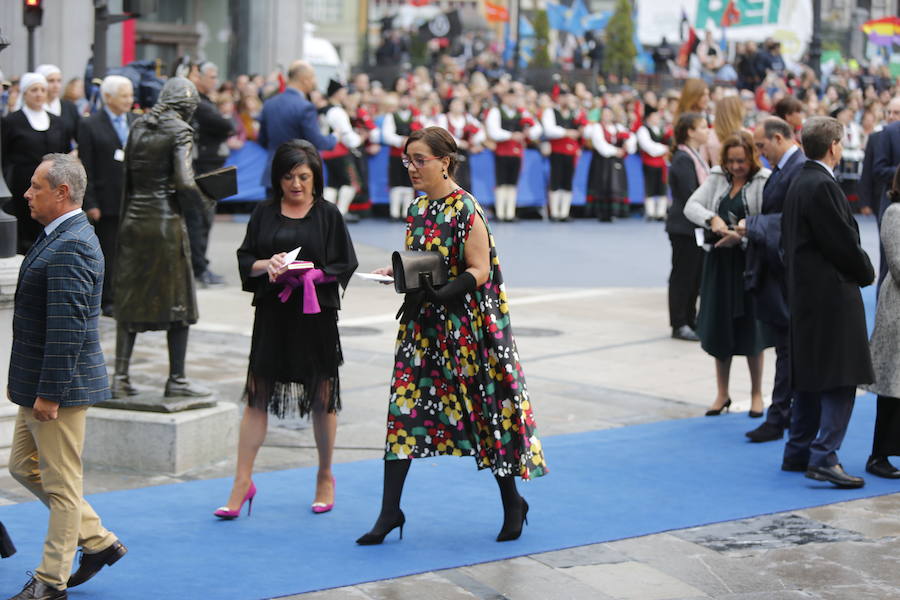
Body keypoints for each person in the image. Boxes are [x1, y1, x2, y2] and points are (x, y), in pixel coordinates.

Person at [357, 127, 547, 546]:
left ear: (445, 161)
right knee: (403, 416)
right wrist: (400, 272)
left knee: (484, 416)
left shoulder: (466, 209)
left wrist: (446, 292)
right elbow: (424, 259)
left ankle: (513, 501)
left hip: (467, 330)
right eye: (407, 160)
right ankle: (390, 511)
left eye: (419, 160)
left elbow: (479, 269)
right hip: (422, 329)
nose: (411, 168)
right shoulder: (419, 207)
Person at [215, 140, 358, 519]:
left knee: (322, 395)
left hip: (316, 317)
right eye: (288, 177)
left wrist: (315, 274)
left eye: (303, 177)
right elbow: (246, 258)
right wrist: (269, 265)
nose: (295, 184)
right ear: (277, 179)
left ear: (315, 178)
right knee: (256, 395)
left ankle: (325, 475)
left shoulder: (328, 215)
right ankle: (241, 481)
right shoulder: (264, 212)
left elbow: (345, 263)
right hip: (273, 316)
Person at [7, 154, 126, 600]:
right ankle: (98, 542)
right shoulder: (58, 234)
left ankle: (49, 582)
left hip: (58, 388)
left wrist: (50, 395)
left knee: (61, 486)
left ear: (61, 193)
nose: (27, 194)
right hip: (38, 383)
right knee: (23, 466)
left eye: (36, 186)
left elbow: (68, 330)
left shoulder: (73, 243)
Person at [781, 116, 875, 488]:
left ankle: (799, 449)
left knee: (809, 374)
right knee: (841, 376)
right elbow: (843, 245)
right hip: (831, 296)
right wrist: (866, 272)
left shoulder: (800, 181)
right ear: (834, 146)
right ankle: (824, 456)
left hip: (806, 294)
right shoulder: (821, 185)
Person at [112, 77, 211, 399]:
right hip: (165, 223)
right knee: (179, 300)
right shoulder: (180, 130)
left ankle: (120, 376)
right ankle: (177, 379)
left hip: (134, 222)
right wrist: (203, 202)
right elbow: (184, 181)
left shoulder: (138, 126)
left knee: (129, 299)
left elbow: (126, 179)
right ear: (187, 107)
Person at [685, 132, 773, 417]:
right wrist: (712, 218)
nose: (736, 166)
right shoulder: (716, 178)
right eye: (732, 161)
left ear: (752, 158)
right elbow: (691, 206)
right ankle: (722, 394)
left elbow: (770, 221)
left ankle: (757, 394)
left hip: (750, 264)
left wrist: (744, 236)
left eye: (742, 161)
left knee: (752, 331)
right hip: (719, 267)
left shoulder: (764, 181)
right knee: (720, 328)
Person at [742, 118, 807, 443]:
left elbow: (791, 221)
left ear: (778, 138)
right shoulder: (787, 169)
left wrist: (750, 226)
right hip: (779, 269)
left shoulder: (798, 169)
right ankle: (784, 413)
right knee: (786, 347)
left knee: (788, 348)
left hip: (790, 274)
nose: (759, 152)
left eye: (761, 146)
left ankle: (781, 414)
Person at [77, 75, 136, 318]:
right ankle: (107, 298)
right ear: (108, 97)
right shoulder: (91, 124)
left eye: (131, 95)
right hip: (105, 199)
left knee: (129, 251)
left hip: (133, 199)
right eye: (124, 96)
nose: (129, 100)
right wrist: (90, 202)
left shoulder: (136, 120)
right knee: (108, 252)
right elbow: (87, 166)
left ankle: (126, 295)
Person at [1, 73, 68, 254]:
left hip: (52, 185)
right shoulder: (12, 121)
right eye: (34, 90)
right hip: (21, 185)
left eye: (42, 90)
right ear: (25, 93)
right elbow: (4, 155)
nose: (39, 94)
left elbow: (64, 152)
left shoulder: (57, 121)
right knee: (26, 229)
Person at [864, 166, 900, 478]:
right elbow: (898, 264)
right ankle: (878, 455)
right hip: (897, 314)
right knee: (891, 389)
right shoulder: (895, 213)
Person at [187, 61, 234, 287]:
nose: (215, 81)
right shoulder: (199, 103)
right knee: (200, 220)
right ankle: (198, 269)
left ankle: (200, 266)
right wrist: (226, 120)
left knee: (205, 220)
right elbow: (224, 125)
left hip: (210, 166)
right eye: (212, 76)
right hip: (202, 168)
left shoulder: (206, 102)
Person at [258, 60, 336, 196]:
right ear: (305, 80)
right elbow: (317, 142)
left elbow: (262, 139)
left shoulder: (269, 103)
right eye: (313, 78)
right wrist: (334, 137)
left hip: (274, 173)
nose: (314, 82)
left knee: (273, 216)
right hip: (300, 178)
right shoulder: (306, 107)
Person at [666, 112, 710, 342]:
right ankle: (679, 322)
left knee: (695, 275)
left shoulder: (695, 155)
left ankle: (690, 319)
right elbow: (688, 194)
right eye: (702, 127)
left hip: (695, 225)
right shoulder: (683, 158)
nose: (707, 130)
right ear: (690, 132)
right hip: (684, 226)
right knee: (683, 275)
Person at [319, 79, 362, 218]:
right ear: (337, 93)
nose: (345, 95)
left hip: (327, 151)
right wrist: (358, 140)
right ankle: (342, 212)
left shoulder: (324, 110)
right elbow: (346, 134)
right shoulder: (337, 111)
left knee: (333, 183)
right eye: (343, 92)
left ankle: (328, 213)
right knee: (351, 182)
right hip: (340, 151)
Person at [585, 106, 635, 222]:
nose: (607, 116)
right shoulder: (597, 127)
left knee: (617, 185)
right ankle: (602, 212)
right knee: (603, 184)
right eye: (604, 113)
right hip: (602, 162)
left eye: (609, 113)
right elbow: (600, 144)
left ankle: (616, 212)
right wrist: (615, 151)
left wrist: (627, 147)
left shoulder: (618, 127)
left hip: (617, 161)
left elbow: (631, 137)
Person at [542, 92, 584, 221]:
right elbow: (549, 130)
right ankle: (554, 212)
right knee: (555, 180)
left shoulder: (575, 114)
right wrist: (567, 132)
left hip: (571, 152)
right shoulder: (551, 112)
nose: (567, 100)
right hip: (557, 151)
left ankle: (564, 212)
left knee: (567, 182)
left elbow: (582, 131)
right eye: (565, 97)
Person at [636, 106, 670, 221]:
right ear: (649, 117)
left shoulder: (661, 129)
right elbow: (648, 147)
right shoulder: (643, 130)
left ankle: (661, 212)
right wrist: (664, 148)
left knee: (662, 187)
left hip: (662, 163)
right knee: (649, 186)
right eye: (655, 116)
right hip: (649, 162)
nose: (657, 118)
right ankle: (650, 212)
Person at [35, 65, 79, 149]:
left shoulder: (69, 107)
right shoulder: (34, 109)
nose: (56, 85)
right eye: (51, 81)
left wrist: (76, 152)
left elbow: (81, 137)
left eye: (59, 81)